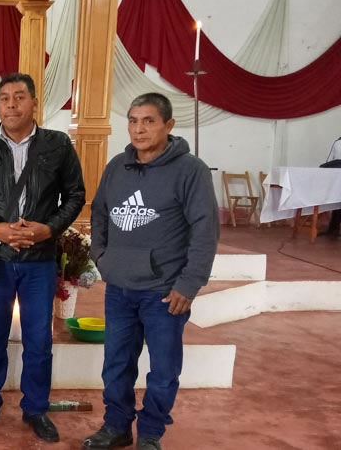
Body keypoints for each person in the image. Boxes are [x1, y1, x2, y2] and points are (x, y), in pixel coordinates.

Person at [83, 93, 219, 450]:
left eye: (148, 121)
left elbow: (205, 230)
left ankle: (150, 433)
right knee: (116, 364)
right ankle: (116, 427)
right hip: (120, 288)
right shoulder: (117, 166)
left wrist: (189, 284)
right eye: (133, 121)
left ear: (168, 125)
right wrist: (102, 257)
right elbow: (99, 212)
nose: (139, 129)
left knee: (163, 370)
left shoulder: (190, 170)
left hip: (164, 292)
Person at [0, 72, 86, 443]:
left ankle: (36, 409)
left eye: (19, 97)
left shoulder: (57, 145)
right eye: (4, 98)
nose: (11, 105)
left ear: (34, 103)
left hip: (39, 260)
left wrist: (49, 229)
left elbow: (75, 195)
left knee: (39, 340)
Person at [319, 137, 341, 237]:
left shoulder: (337, 142)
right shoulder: (337, 142)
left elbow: (329, 161)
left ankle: (333, 229)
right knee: (338, 201)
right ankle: (333, 229)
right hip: (336, 178)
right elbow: (329, 162)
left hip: (336, 178)